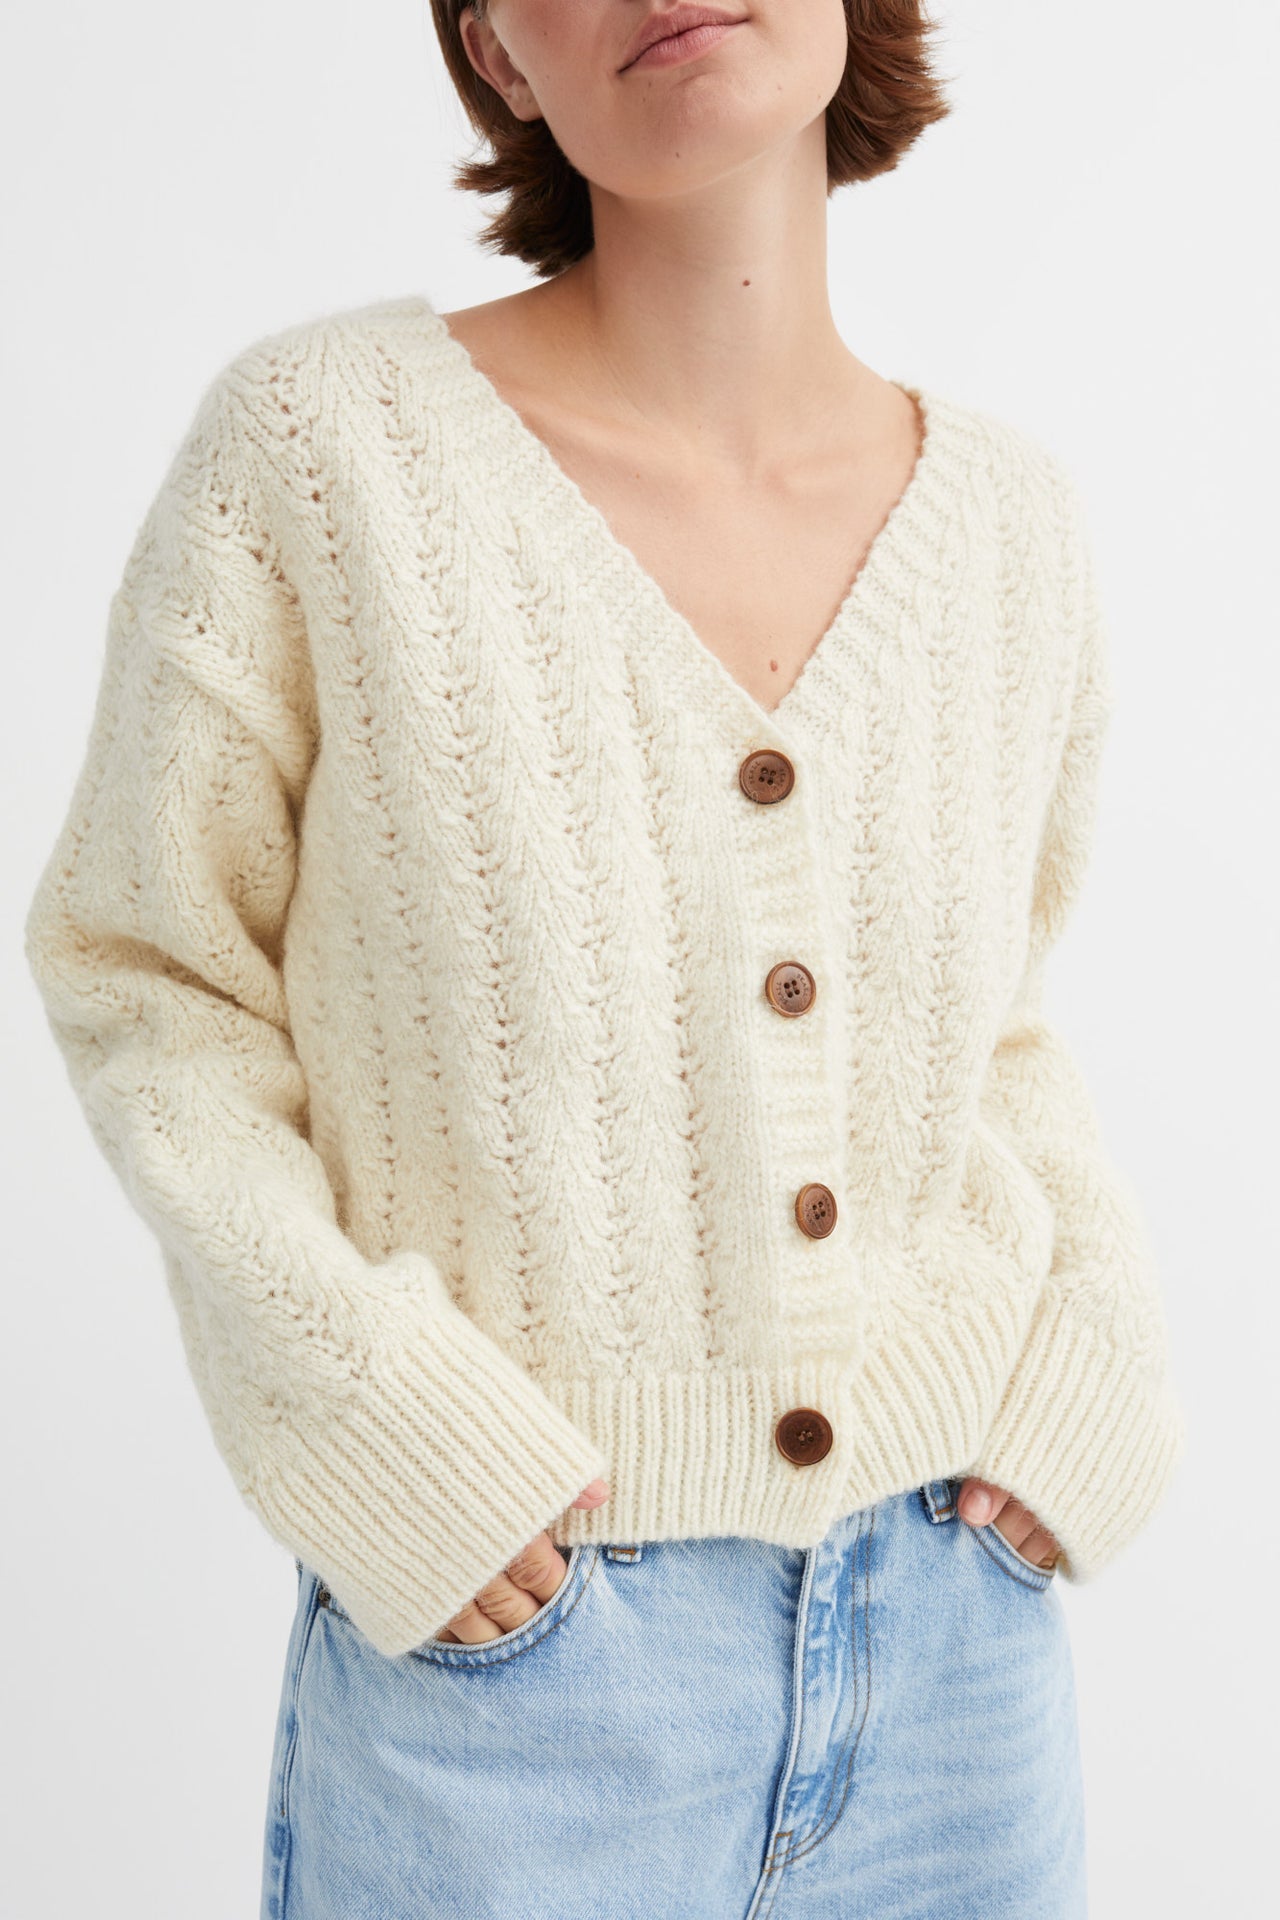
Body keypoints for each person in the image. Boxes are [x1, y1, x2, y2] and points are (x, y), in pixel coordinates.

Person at [24, 3, 1184, 1915]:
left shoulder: (1009, 523)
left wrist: (1100, 1359)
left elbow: (997, 1037)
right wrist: (371, 1416)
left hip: (963, 1668)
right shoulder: (322, 455)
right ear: (497, 50)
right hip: (518, 1692)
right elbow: (149, 978)